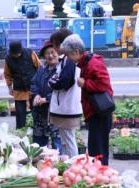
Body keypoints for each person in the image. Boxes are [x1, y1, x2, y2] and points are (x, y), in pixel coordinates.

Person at [60, 34, 114, 165]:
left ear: (76, 52)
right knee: (95, 149)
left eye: (68, 54)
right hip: (95, 112)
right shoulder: (85, 63)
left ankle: (101, 177)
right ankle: (99, 174)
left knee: (98, 150)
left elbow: (104, 85)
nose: (67, 58)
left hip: (100, 114)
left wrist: (85, 83)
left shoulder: (93, 63)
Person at [48, 29, 83, 158]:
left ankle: (73, 164)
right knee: (65, 139)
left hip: (67, 107)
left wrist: (52, 83)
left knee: (68, 139)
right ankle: (69, 163)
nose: (55, 49)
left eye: (55, 45)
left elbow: (64, 82)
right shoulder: (66, 60)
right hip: (65, 107)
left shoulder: (69, 60)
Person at [30, 41, 62, 154]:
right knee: (38, 145)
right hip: (40, 112)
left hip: (54, 112)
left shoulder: (61, 70)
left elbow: (62, 90)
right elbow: (33, 83)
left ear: (58, 53)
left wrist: (47, 98)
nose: (50, 55)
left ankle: (58, 164)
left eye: (53, 52)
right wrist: (37, 95)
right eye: (47, 53)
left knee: (57, 143)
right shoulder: (41, 70)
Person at [4, 41, 41, 129]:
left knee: (36, 111)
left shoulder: (30, 53)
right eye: (14, 54)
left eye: (18, 53)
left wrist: (40, 84)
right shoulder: (8, 58)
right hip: (18, 88)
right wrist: (9, 87)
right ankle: (20, 131)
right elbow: (7, 74)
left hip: (33, 86)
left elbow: (39, 67)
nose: (16, 55)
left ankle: (38, 130)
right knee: (20, 114)